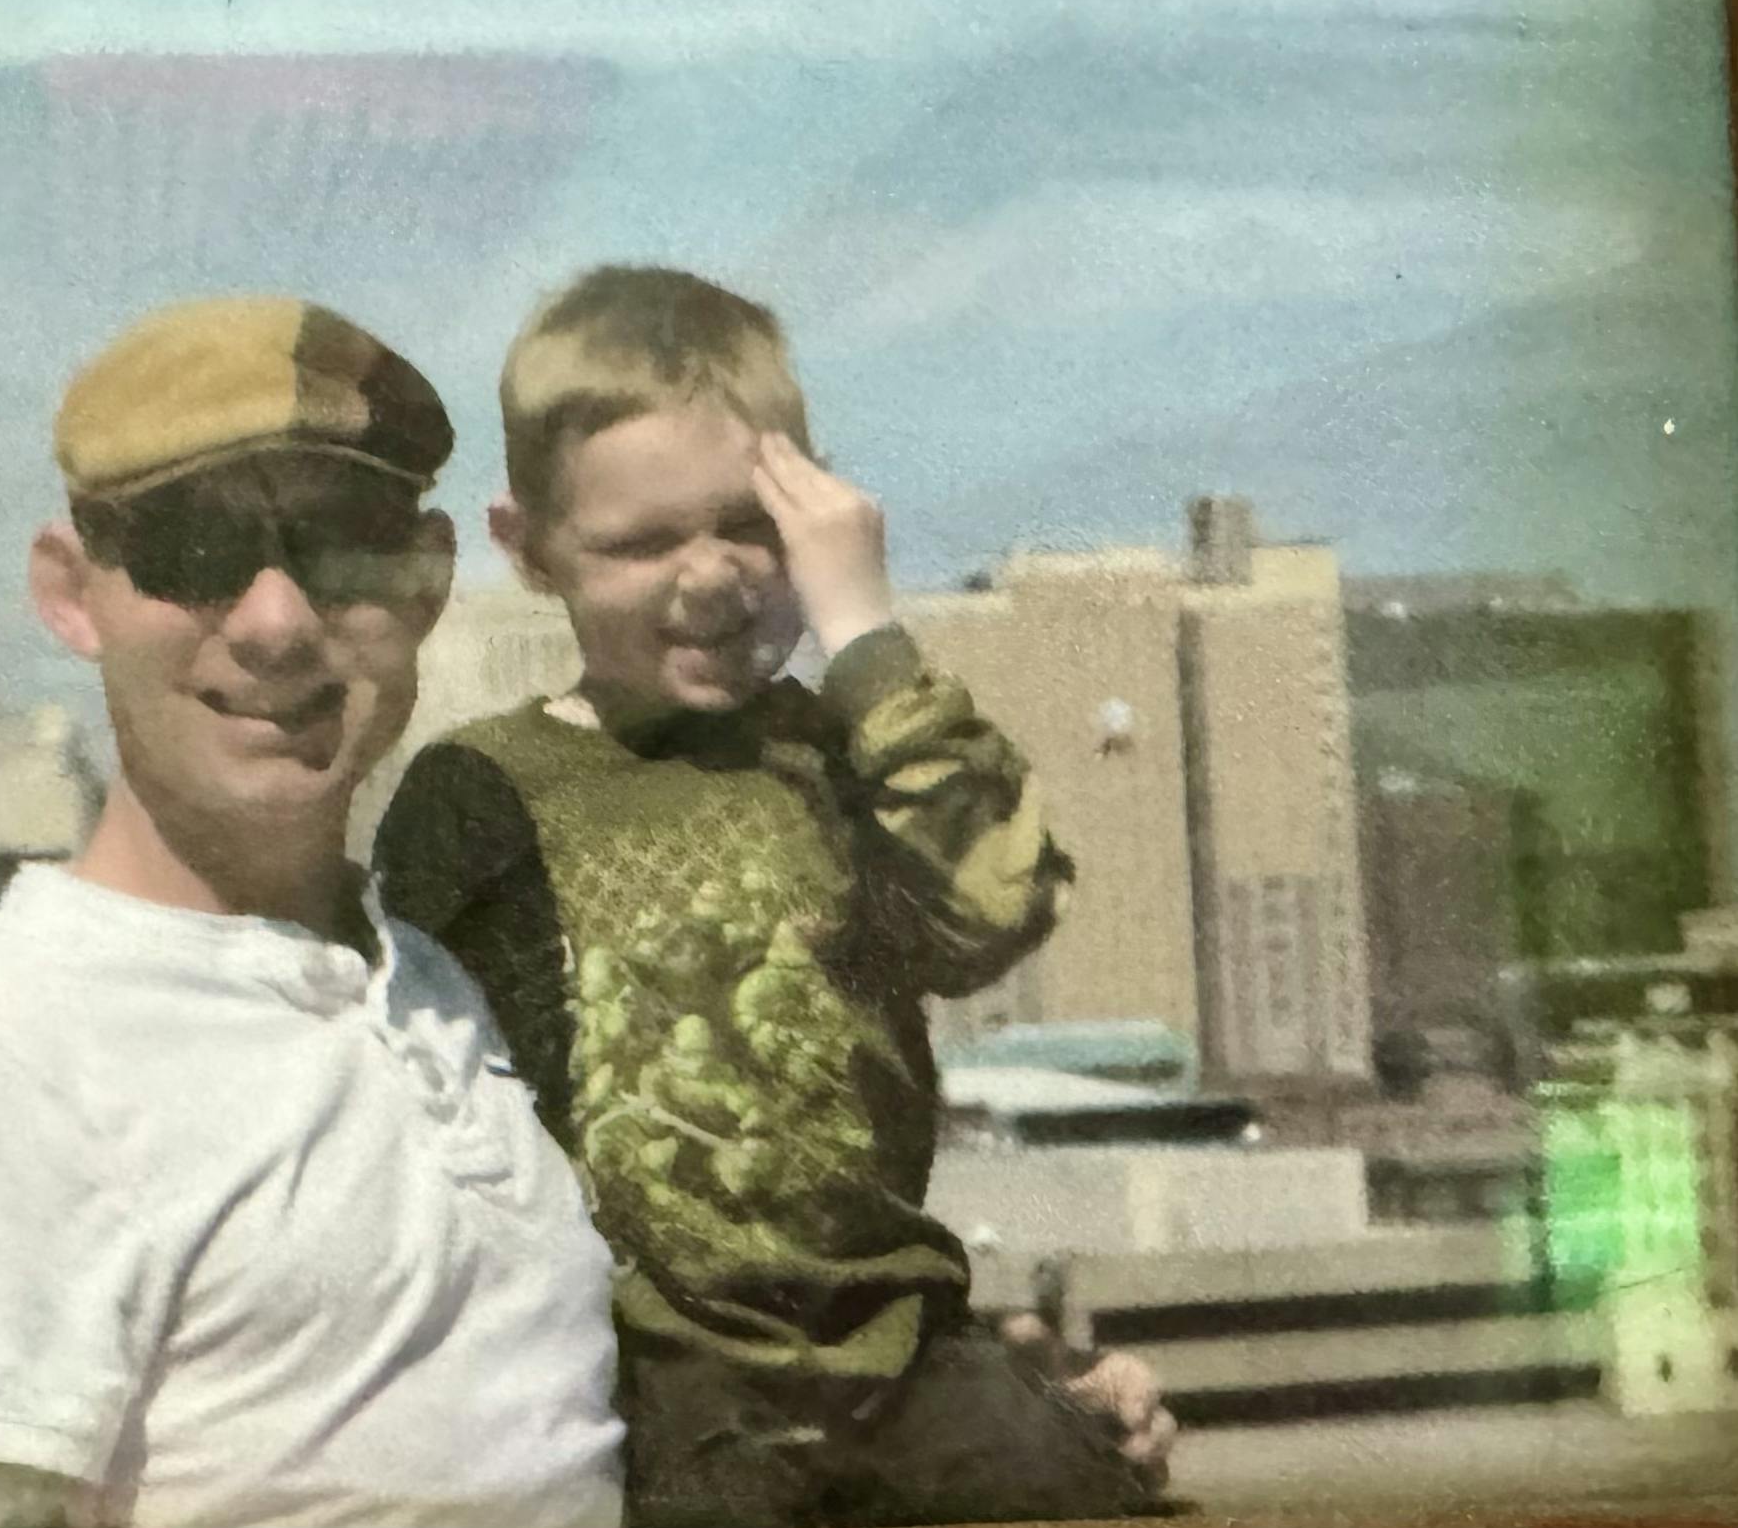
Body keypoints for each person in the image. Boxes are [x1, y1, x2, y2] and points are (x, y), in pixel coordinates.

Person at [0, 296, 627, 1528]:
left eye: (342, 545)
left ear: (430, 581)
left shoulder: (434, 987)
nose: (276, 621)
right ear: (70, 594)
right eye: (195, 548)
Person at [374, 265, 1178, 1527]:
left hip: (895, 1354)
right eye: (640, 542)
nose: (709, 576)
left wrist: (861, 631)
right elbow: (417, 1112)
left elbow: (989, 908)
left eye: (749, 526)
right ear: (526, 550)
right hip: (643, 1382)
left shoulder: (850, 758)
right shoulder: (484, 790)